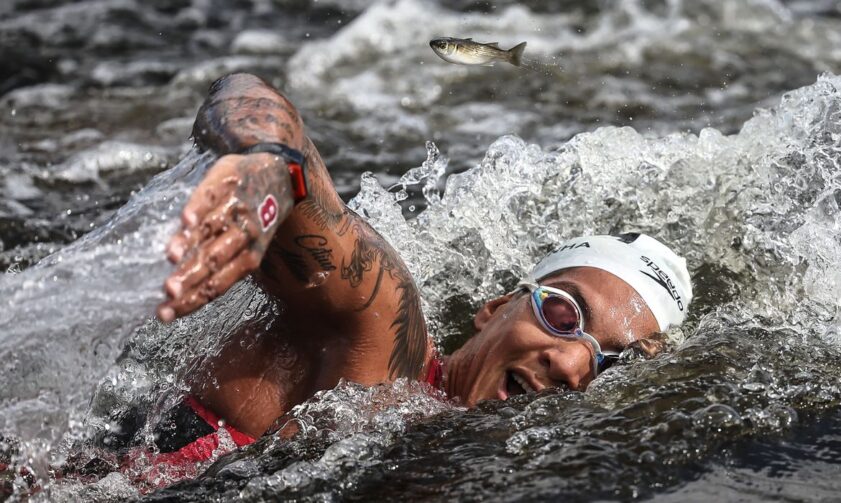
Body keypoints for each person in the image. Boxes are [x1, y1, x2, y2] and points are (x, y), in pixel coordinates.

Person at [149, 73, 693, 463]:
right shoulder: (380, 336)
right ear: (496, 308)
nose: (573, 364)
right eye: (563, 312)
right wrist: (265, 161)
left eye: (610, 363)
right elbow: (253, 96)